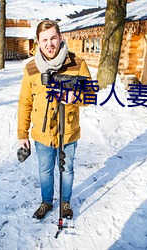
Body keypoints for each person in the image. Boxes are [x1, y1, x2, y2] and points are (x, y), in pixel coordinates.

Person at [17, 20, 92, 220]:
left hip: (68, 130)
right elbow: (25, 102)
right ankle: (46, 202)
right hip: (42, 133)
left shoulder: (77, 64)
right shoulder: (31, 68)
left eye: (53, 38)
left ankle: (65, 202)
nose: (49, 44)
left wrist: (73, 97)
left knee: (67, 168)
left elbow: (90, 95)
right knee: (45, 170)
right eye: (44, 40)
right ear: (38, 42)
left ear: (60, 38)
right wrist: (22, 134)